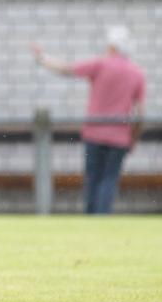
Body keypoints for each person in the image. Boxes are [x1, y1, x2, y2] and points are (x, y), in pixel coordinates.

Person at [32, 26, 145, 214]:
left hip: (94, 134)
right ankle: (102, 217)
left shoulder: (100, 65)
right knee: (109, 179)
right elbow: (140, 112)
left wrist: (42, 59)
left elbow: (67, 69)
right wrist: (133, 139)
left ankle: (91, 218)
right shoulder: (137, 73)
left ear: (112, 47)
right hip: (119, 137)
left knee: (92, 178)